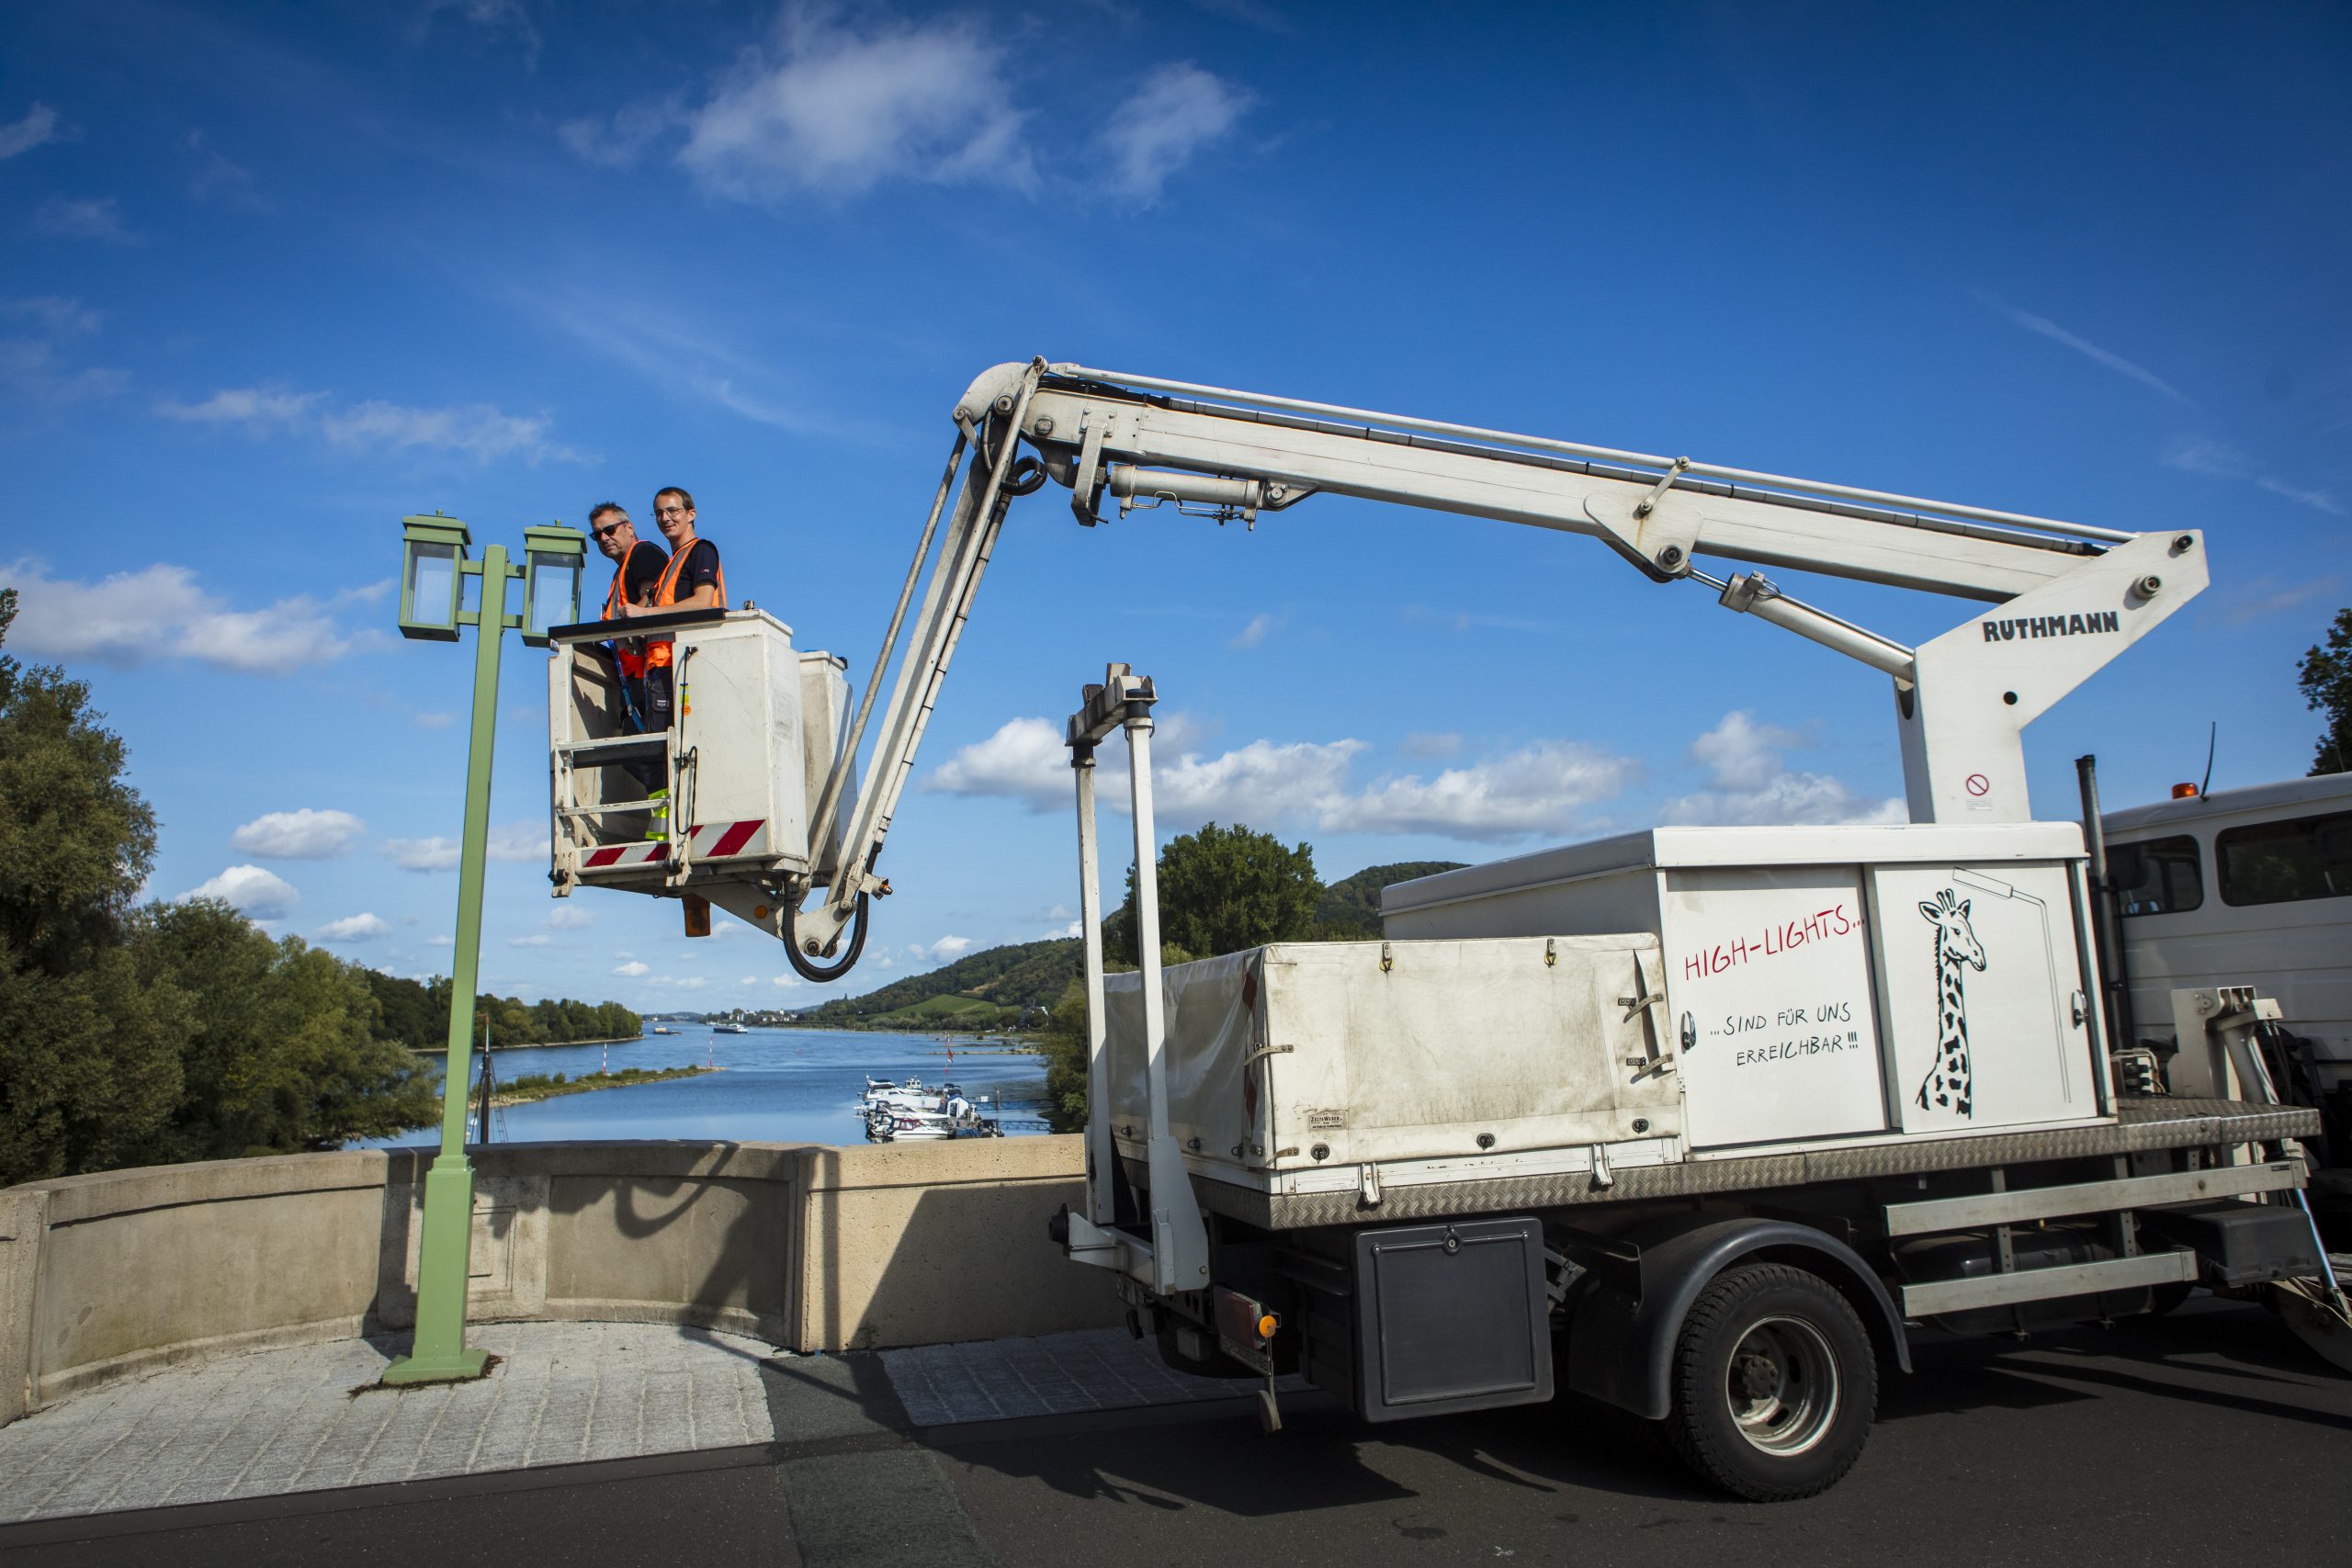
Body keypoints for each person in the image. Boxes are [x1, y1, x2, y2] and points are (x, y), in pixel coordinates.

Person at [623, 486, 726, 735]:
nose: (665, 518)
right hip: (665, 665)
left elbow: (702, 602)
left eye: (672, 511)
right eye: (659, 513)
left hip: (683, 663)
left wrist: (644, 615)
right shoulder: (673, 563)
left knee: (663, 753)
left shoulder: (701, 550)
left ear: (691, 514)